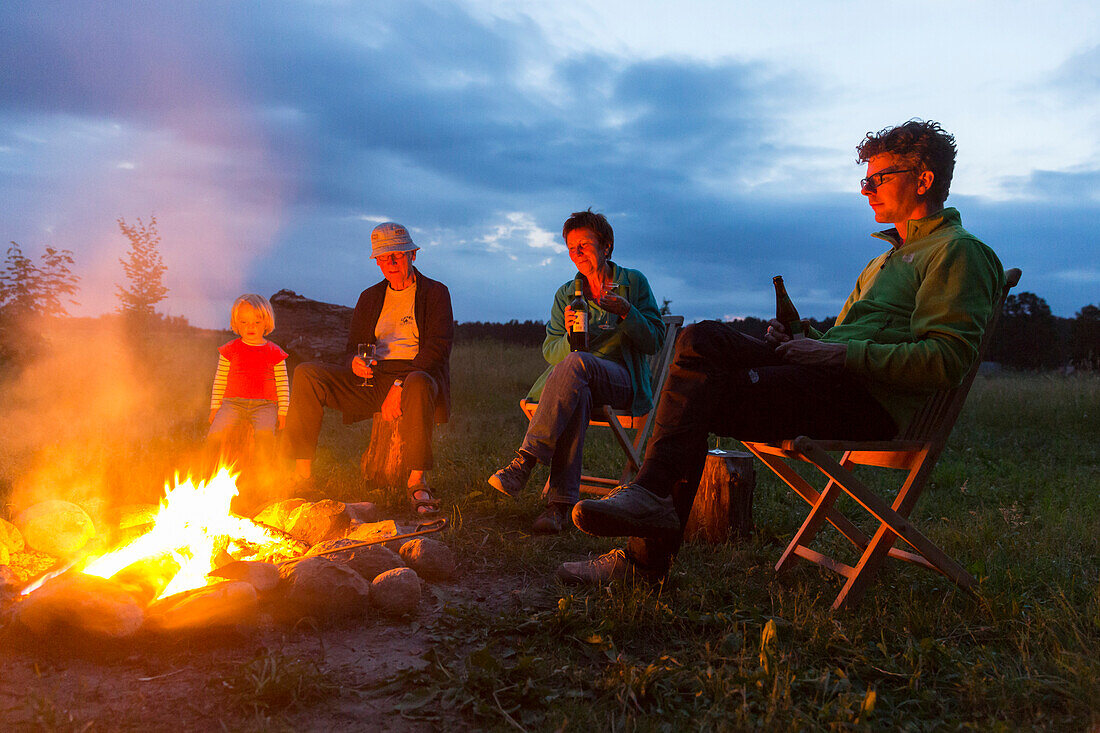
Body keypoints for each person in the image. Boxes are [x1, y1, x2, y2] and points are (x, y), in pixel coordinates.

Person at [560, 119, 1006, 583]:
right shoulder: (883, 261)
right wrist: (801, 337)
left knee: (702, 394)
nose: (865, 190)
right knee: (702, 339)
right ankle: (651, 505)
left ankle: (645, 555)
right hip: (834, 379)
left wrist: (834, 355)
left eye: (877, 179)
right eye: (864, 180)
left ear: (924, 179)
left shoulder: (958, 252)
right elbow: (844, 338)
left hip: (868, 401)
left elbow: (945, 361)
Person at [488, 209, 665, 533]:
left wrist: (628, 312)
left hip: (623, 381)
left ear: (606, 246)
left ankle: (525, 461)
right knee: (576, 387)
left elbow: (654, 340)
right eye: (572, 248)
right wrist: (571, 339)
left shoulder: (633, 283)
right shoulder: (567, 294)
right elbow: (550, 350)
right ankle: (559, 507)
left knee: (577, 367)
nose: (577, 253)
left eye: (584, 244)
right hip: (578, 380)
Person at [283, 222, 453, 516]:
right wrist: (354, 363)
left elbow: (438, 348)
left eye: (396, 255)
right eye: (383, 257)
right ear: (375, 260)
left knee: (418, 383)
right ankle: (302, 475)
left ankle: (417, 481)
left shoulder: (436, 292)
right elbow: (354, 346)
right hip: (374, 378)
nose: (390, 263)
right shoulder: (370, 296)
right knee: (307, 374)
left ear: (413, 254)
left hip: (417, 374)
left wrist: (398, 386)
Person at [206, 294, 289, 506]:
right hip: (232, 403)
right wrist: (215, 407)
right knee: (215, 435)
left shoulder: (274, 352)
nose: (250, 327)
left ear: (266, 323)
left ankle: (263, 481)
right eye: (244, 322)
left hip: (264, 406)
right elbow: (220, 379)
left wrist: (283, 412)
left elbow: (282, 383)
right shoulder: (231, 349)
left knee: (264, 439)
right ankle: (207, 472)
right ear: (236, 323)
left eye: (256, 322)